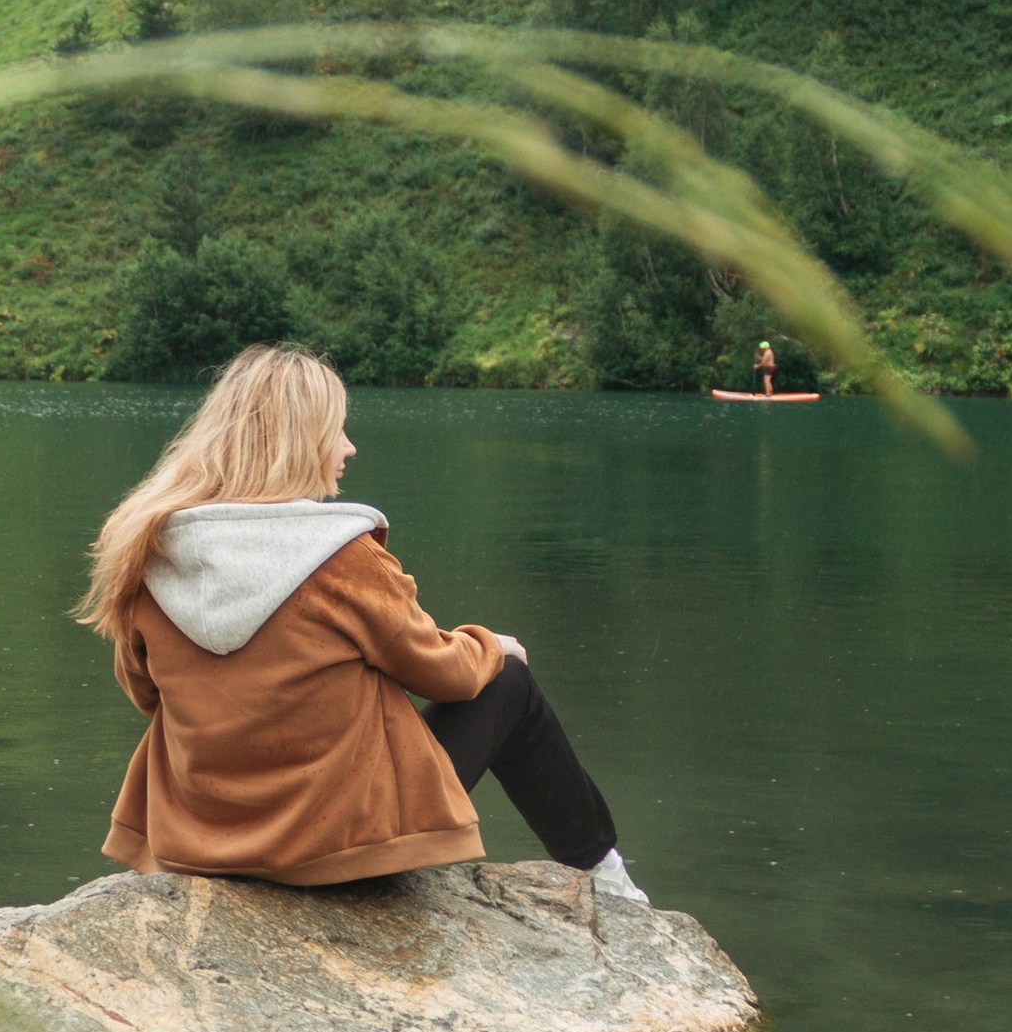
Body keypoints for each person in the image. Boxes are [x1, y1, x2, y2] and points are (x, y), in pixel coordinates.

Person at [76, 344, 648, 901]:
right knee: (509, 684)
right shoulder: (341, 558)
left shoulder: (150, 553)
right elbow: (442, 673)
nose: (349, 447)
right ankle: (607, 880)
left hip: (198, 845)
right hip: (338, 847)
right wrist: (493, 647)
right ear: (299, 442)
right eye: (338, 430)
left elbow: (147, 695)